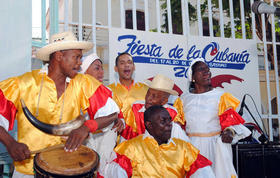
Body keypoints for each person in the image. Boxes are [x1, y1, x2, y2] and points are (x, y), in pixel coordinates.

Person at [0, 31, 120, 177]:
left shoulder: (83, 83)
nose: (80, 62)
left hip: (70, 169)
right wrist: (10, 143)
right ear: (59, 56)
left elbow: (112, 114)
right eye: (76, 57)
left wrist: (87, 127)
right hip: (28, 171)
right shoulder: (23, 84)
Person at [181, 58, 251, 178]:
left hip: (215, 147)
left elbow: (231, 123)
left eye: (208, 70)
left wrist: (229, 132)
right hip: (191, 147)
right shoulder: (183, 98)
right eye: (201, 69)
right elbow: (179, 125)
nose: (207, 72)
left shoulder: (220, 96)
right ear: (192, 77)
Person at [102, 105, 215, 178]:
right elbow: (113, 174)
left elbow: (204, 172)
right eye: (163, 121)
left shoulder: (184, 148)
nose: (169, 125)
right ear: (149, 125)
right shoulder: (130, 148)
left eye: (169, 121)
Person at [80, 52, 124, 177]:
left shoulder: (108, 92)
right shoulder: (78, 91)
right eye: (96, 68)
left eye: (102, 68)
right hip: (86, 141)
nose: (101, 72)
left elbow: (118, 113)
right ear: (84, 72)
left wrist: (121, 121)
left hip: (105, 144)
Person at [120, 74, 185, 142]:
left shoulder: (172, 113)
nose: (148, 98)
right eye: (148, 93)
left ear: (164, 101)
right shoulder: (135, 107)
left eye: (154, 96)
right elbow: (126, 137)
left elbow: (176, 141)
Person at [108, 52, 148, 117]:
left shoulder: (145, 89)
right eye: (122, 63)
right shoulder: (108, 90)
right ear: (116, 68)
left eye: (129, 62)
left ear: (134, 67)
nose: (127, 65)